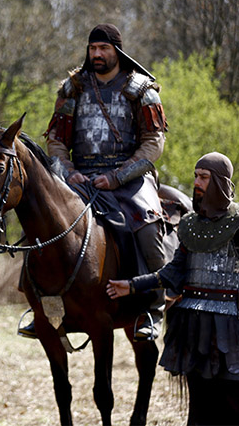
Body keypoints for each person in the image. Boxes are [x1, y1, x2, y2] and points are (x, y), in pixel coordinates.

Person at [18, 23, 168, 340]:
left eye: (103, 48)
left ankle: (151, 310)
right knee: (41, 222)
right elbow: (57, 141)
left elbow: (153, 144)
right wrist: (67, 170)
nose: (97, 54)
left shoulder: (142, 90)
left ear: (117, 51)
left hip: (129, 177)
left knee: (148, 227)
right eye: (92, 48)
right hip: (79, 176)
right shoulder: (72, 89)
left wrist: (117, 176)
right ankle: (40, 307)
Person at [107, 152, 239, 425]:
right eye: (196, 176)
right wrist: (131, 286)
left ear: (220, 181)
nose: (197, 182)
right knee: (200, 407)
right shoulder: (190, 225)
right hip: (193, 327)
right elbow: (173, 272)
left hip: (233, 329)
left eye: (204, 177)